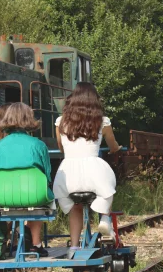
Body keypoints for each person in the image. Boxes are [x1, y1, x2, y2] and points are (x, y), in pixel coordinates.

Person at [52, 82, 121, 259]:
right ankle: (105, 219)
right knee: (107, 184)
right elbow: (112, 146)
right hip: (94, 171)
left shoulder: (61, 122)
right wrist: (116, 149)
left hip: (68, 174)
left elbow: (61, 148)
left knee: (75, 206)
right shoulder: (102, 121)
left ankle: (73, 247)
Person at [0, 102, 53, 257]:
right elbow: (47, 174)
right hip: (32, 194)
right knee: (38, 200)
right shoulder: (38, 145)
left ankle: (12, 242)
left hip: (2, 196)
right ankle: (36, 244)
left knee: (15, 201)